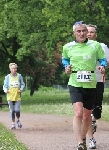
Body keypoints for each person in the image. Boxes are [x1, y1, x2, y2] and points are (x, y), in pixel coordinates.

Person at [62, 21, 107, 150]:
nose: (82, 33)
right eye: (79, 31)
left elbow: (102, 59)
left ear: (87, 32)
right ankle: (80, 143)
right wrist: (66, 67)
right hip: (75, 82)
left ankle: (82, 139)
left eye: (84, 31)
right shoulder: (67, 47)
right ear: (74, 33)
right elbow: (65, 59)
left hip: (91, 83)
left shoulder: (95, 45)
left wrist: (102, 66)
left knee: (87, 116)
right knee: (78, 113)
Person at [86, 24, 109, 149]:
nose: (89, 34)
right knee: (87, 110)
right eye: (87, 31)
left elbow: (108, 62)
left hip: (98, 80)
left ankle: (94, 120)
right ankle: (91, 139)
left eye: (92, 32)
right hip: (83, 82)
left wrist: (103, 67)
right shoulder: (80, 47)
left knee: (97, 112)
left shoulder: (102, 46)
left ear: (96, 34)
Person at [3, 63, 25, 129]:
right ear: (10, 69)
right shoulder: (7, 77)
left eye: (15, 68)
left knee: (17, 110)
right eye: (13, 68)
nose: (14, 69)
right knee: (12, 111)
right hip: (10, 96)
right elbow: (4, 86)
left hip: (17, 96)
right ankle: (13, 124)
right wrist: (6, 90)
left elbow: (22, 84)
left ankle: (18, 120)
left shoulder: (19, 76)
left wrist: (21, 89)